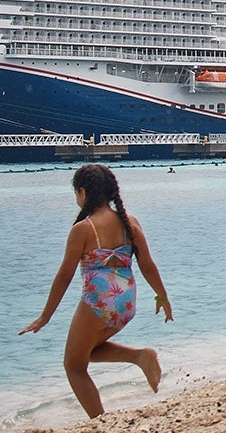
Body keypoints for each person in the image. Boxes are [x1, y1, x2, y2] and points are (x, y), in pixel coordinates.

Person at [19, 164, 171, 418]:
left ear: (82, 192)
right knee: (86, 353)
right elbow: (147, 264)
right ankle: (140, 357)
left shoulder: (83, 229)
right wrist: (162, 296)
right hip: (127, 301)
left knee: (73, 366)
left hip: (99, 301)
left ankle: (99, 421)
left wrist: (46, 316)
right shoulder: (129, 223)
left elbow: (64, 275)